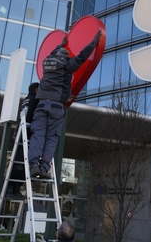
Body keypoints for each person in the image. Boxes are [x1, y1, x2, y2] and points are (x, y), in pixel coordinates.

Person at [29, 30, 102, 179]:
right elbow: (81, 57)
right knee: (51, 138)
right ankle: (44, 168)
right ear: (65, 56)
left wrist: (60, 45)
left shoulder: (47, 61)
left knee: (38, 135)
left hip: (41, 104)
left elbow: (52, 53)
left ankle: (33, 165)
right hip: (57, 106)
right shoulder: (66, 64)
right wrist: (94, 42)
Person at [6, 82, 39, 200]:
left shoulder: (27, 99)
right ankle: (11, 189)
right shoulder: (35, 99)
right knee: (21, 164)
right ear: (36, 89)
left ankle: (15, 189)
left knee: (21, 163)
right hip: (27, 133)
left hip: (22, 132)